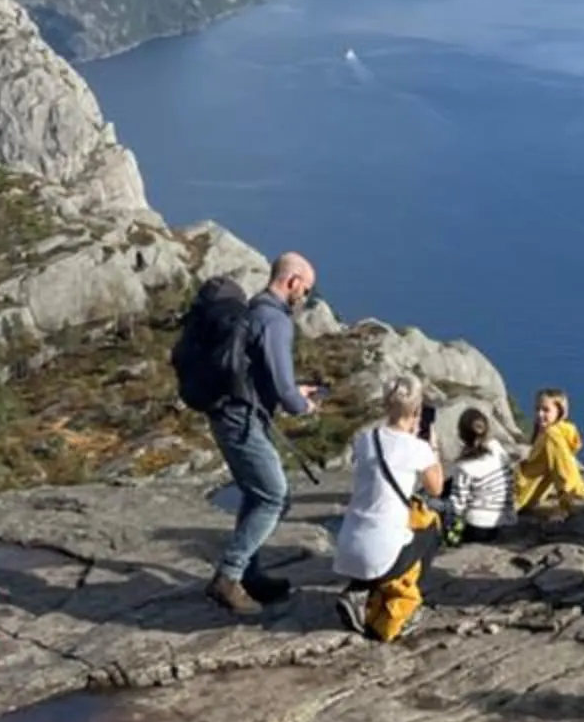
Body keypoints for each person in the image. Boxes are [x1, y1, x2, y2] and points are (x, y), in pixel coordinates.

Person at [206, 253, 323, 618]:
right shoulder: (275, 321)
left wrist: (289, 391)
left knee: (257, 494)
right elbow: (286, 394)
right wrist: (303, 405)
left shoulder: (255, 309)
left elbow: (261, 374)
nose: (306, 295)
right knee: (274, 497)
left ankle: (249, 575)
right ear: (292, 282)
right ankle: (229, 575)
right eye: (306, 288)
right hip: (242, 421)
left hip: (232, 414)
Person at [331, 374, 447, 638]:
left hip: (348, 546)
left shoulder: (364, 439)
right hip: (382, 554)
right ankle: (397, 601)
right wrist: (433, 447)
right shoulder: (417, 448)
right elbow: (436, 488)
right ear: (417, 410)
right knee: (432, 528)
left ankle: (360, 589)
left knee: (387, 532)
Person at [514, 388, 584, 520]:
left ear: (560, 411)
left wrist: (565, 502)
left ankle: (567, 502)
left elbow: (563, 469)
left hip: (515, 496)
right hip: (524, 495)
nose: (539, 414)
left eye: (545, 410)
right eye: (537, 409)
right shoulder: (557, 433)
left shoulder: (551, 435)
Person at [444, 406, 512, 542]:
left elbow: (458, 504)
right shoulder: (497, 448)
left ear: (461, 435)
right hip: (501, 522)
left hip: (476, 528)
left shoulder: (464, 466)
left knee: (437, 501)